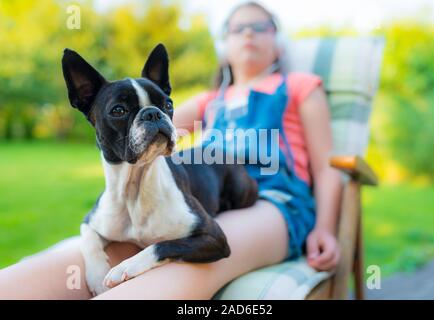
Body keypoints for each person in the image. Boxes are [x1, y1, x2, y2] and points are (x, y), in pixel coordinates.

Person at [0, 1, 341, 299]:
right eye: (238, 28)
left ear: (278, 44)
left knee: (185, 266)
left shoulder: (298, 86)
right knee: (70, 263)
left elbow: (327, 166)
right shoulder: (212, 100)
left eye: (260, 27)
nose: (249, 34)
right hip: (194, 194)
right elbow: (149, 120)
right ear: (224, 46)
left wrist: (326, 227)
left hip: (273, 198)